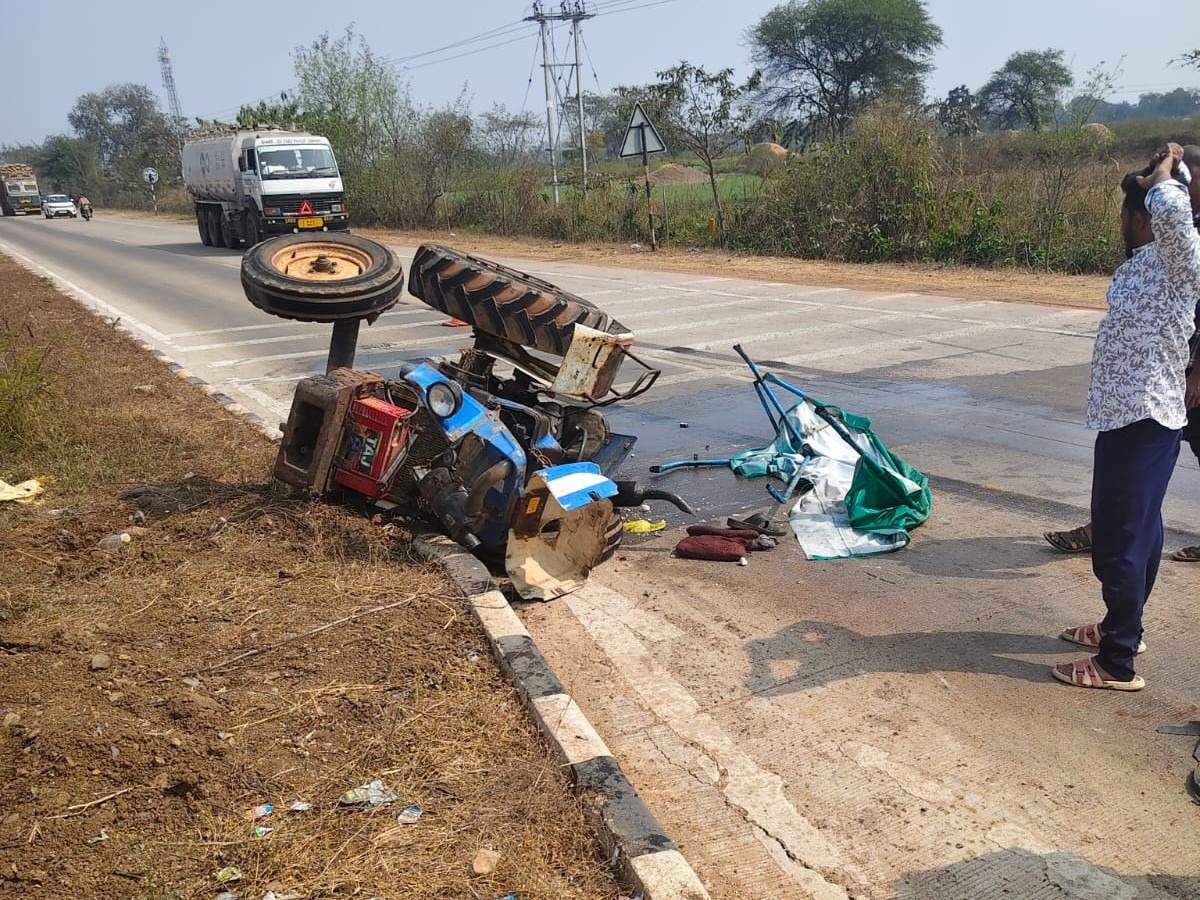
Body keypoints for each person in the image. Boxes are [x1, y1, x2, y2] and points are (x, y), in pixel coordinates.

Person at [1054, 143, 1200, 691]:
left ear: (1142, 219)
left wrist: (1164, 175)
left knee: (1120, 539)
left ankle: (1117, 663)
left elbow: (1177, 222)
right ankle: (1124, 629)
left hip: (1145, 418)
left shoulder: (1179, 260)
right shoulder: (1146, 264)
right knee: (1139, 533)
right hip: (1122, 418)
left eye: (1125, 213)